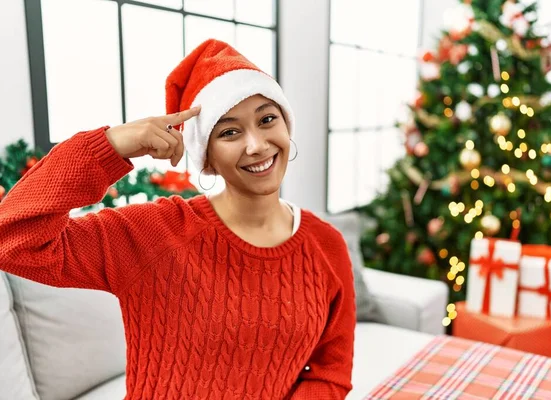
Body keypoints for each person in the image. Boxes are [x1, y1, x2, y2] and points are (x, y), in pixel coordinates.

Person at [0, 39, 356, 399]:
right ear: (207, 156)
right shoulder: (155, 233)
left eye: (267, 120)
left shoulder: (325, 244)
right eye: (229, 132)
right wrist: (110, 145)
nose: (256, 145)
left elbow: (330, 371)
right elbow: (12, 238)